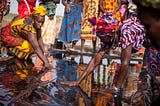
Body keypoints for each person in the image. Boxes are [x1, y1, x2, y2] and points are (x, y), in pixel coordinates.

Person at [60, 0, 145, 97]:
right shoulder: (108, 34)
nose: (102, 42)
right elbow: (96, 59)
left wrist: (115, 88)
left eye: (104, 40)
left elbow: (125, 63)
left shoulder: (127, 32)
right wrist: (78, 81)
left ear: (112, 36)